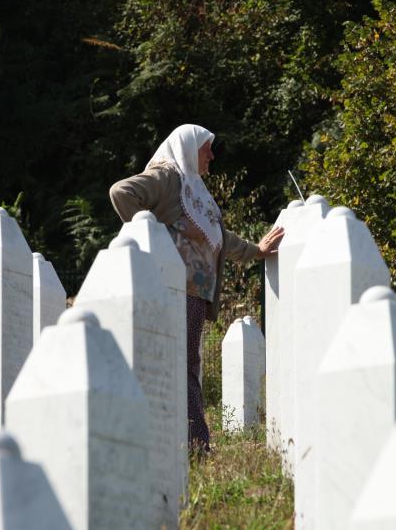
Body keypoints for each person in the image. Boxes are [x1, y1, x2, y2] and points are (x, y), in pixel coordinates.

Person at [109, 124, 284, 453]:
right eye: (207, 148)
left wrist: (256, 251)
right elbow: (121, 192)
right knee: (184, 363)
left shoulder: (193, 188)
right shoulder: (168, 178)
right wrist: (162, 230)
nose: (212, 155)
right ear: (189, 148)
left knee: (186, 363)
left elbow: (217, 239)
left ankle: (186, 439)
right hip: (173, 288)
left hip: (192, 293)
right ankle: (195, 443)